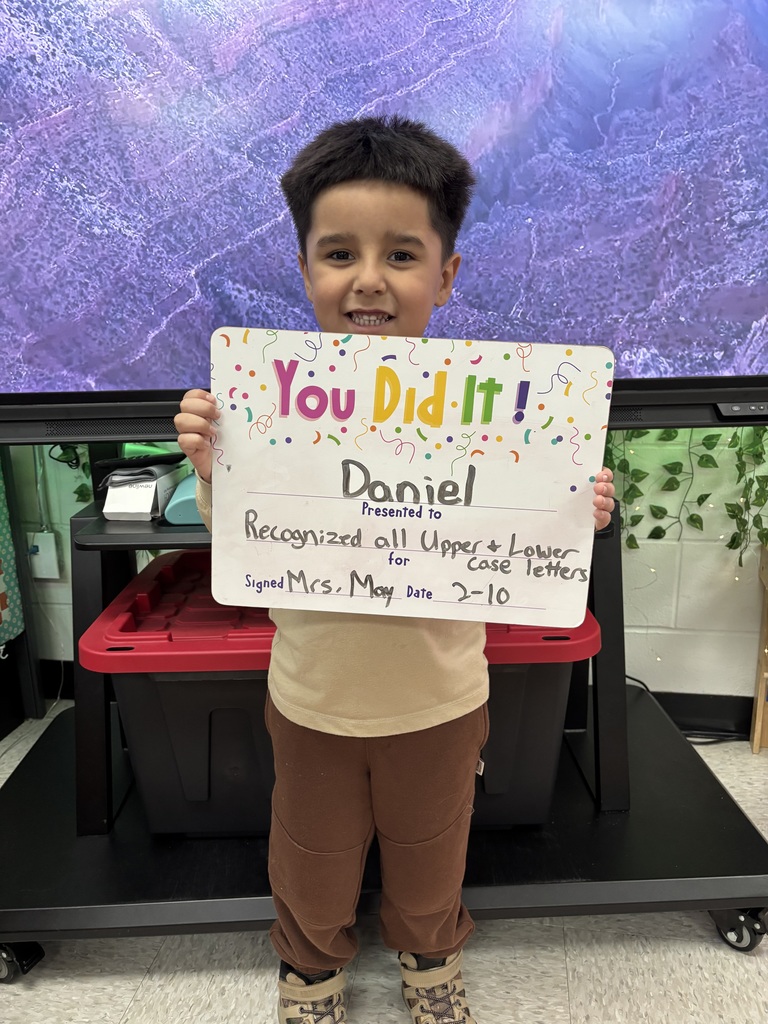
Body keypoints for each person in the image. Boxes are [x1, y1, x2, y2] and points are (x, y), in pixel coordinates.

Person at [175, 115, 616, 1024]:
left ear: (446, 276)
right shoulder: (263, 406)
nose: (368, 279)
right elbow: (246, 544)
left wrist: (573, 505)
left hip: (441, 701)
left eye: (402, 256)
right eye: (338, 253)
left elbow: (522, 533)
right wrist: (218, 469)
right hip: (312, 701)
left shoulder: (497, 414)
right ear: (305, 270)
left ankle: (429, 959)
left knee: (431, 852)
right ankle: (310, 970)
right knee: (310, 854)